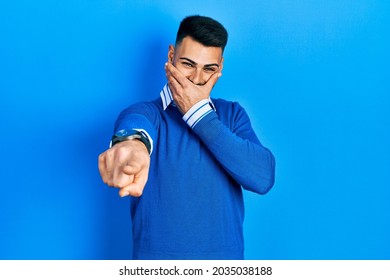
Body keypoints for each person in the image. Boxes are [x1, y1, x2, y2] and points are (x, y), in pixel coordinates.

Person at [98, 15, 275, 260]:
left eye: (209, 69)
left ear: (220, 67)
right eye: (188, 64)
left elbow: (262, 177)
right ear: (171, 56)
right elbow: (135, 130)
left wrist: (197, 114)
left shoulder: (232, 115)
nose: (196, 78)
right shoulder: (146, 113)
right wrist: (132, 147)